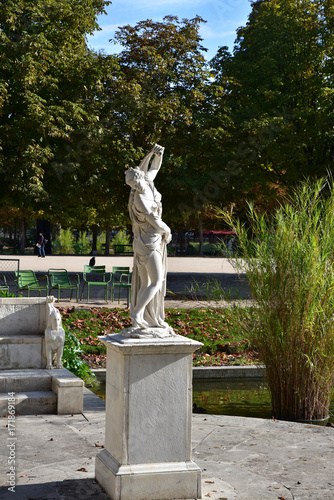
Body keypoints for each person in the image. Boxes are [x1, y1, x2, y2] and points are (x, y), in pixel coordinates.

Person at [125, 144, 173, 334]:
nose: (135, 186)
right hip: (149, 243)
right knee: (156, 281)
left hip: (145, 242)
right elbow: (156, 221)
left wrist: (157, 154)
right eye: (133, 185)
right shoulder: (140, 199)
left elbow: (153, 168)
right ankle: (137, 313)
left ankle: (142, 315)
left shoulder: (146, 182)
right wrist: (168, 231)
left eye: (134, 182)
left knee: (146, 283)